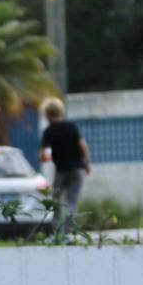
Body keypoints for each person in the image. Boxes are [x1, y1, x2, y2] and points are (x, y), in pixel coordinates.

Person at [40, 97, 92, 237]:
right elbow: (83, 147)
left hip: (61, 171)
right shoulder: (71, 126)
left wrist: (47, 157)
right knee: (72, 201)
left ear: (47, 114)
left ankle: (55, 233)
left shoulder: (48, 131)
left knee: (56, 201)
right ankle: (69, 232)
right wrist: (87, 164)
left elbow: (44, 155)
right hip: (77, 169)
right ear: (60, 112)